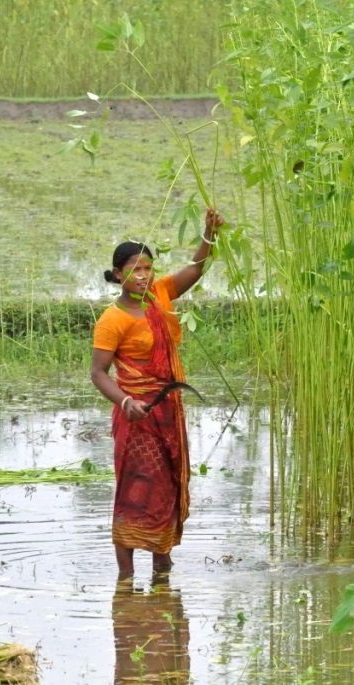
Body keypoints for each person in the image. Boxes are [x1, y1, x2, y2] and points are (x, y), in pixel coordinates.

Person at [91, 207, 223, 578]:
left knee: (166, 486)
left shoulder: (162, 293)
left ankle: (163, 567)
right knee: (135, 489)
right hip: (136, 417)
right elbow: (98, 373)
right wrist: (126, 401)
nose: (143, 276)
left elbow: (196, 269)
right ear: (118, 275)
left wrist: (208, 233)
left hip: (168, 412)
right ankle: (125, 576)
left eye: (148, 268)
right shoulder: (112, 320)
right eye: (135, 270)